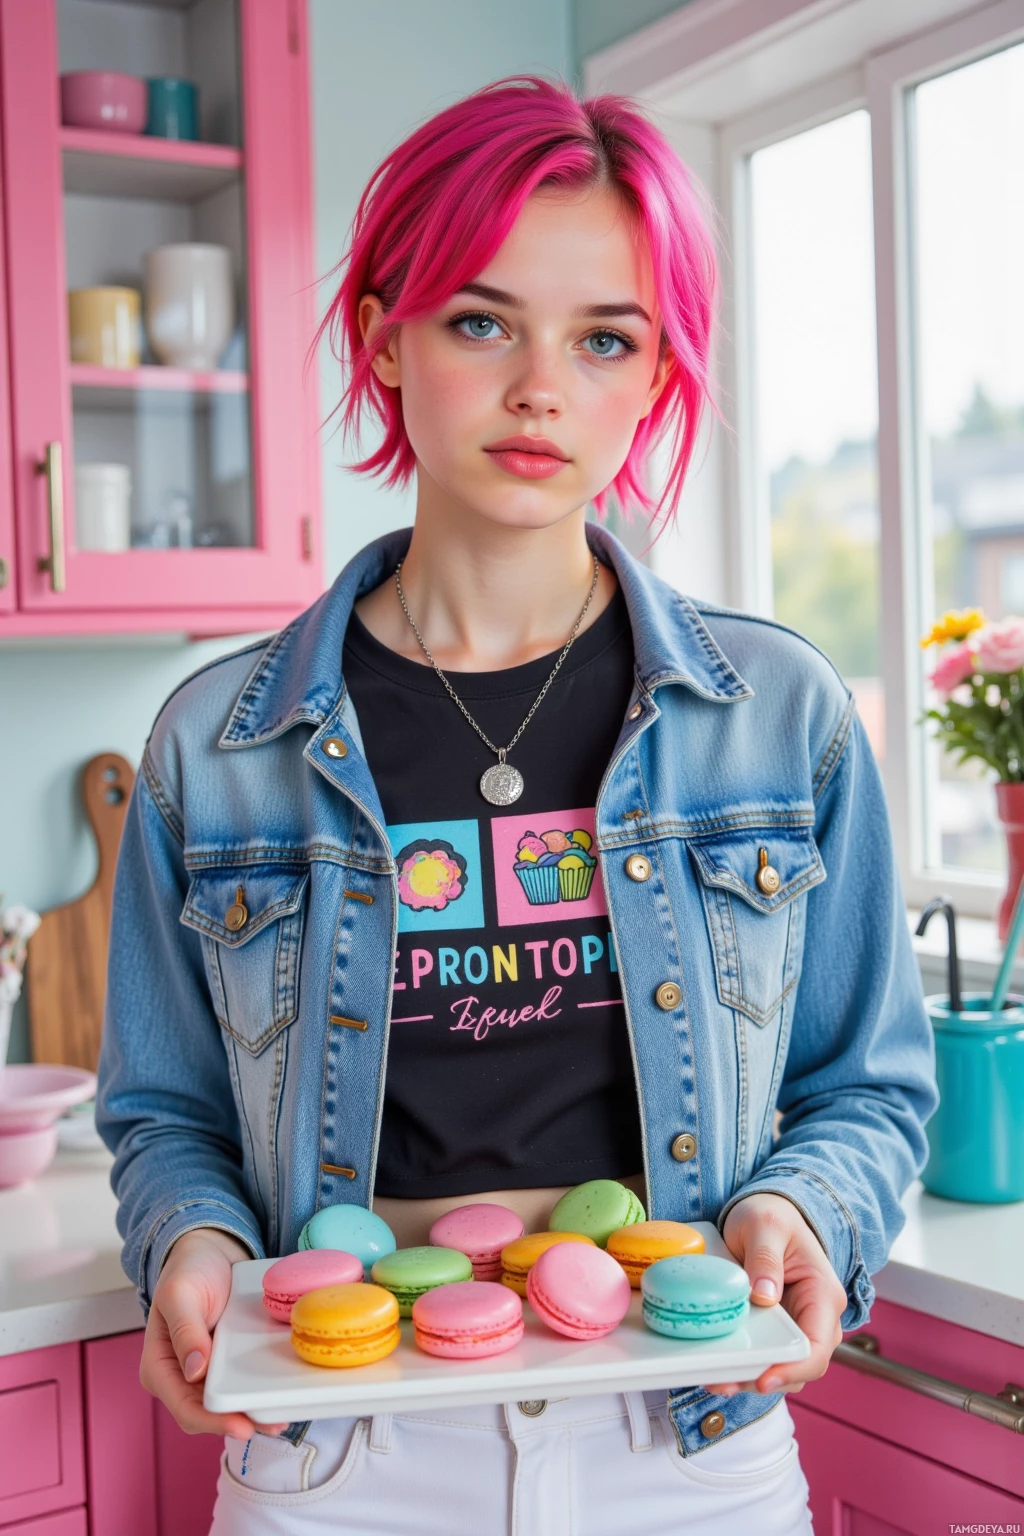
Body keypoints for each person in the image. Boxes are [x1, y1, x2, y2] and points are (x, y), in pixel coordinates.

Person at [95, 74, 939, 1536]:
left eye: (604, 339)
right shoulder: (217, 746)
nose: (542, 388)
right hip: (330, 1459)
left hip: (688, 1445)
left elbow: (866, 1088)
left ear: (655, 376)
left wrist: (801, 1217)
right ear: (384, 334)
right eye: (482, 322)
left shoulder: (782, 718)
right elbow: (166, 1116)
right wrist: (191, 1245)